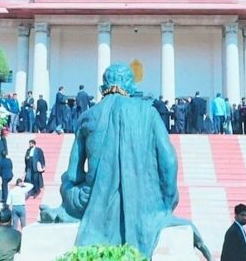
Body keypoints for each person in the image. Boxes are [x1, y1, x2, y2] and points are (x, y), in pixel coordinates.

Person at [39, 64, 211, 260]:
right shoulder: (149, 113)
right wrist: (165, 203)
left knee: (69, 186)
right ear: (130, 86)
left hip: (92, 199)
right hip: (145, 202)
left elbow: (73, 174)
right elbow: (169, 162)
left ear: (103, 87)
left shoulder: (87, 117)